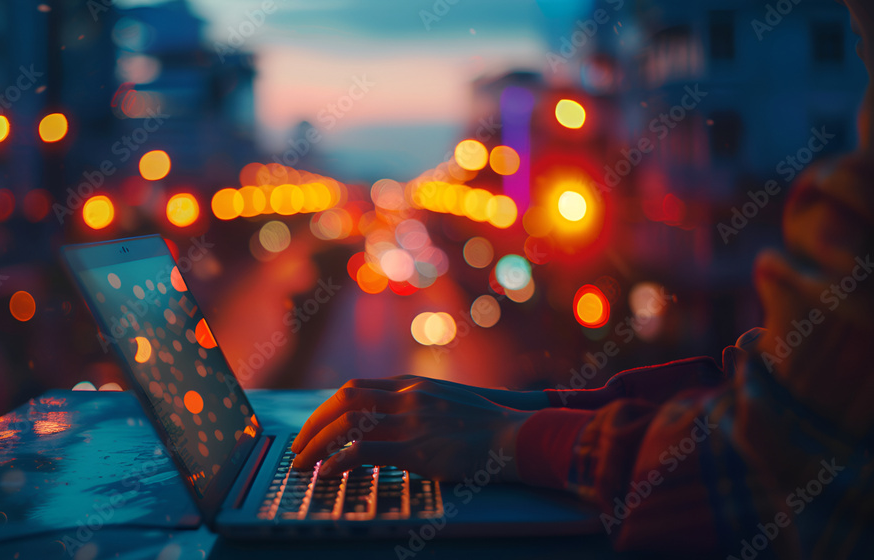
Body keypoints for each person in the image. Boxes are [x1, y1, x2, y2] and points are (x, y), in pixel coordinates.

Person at [290, 0, 874, 556]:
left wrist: (507, 441)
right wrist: (522, 408)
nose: (852, 33)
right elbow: (753, 385)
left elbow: (748, 464)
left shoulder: (856, 205)